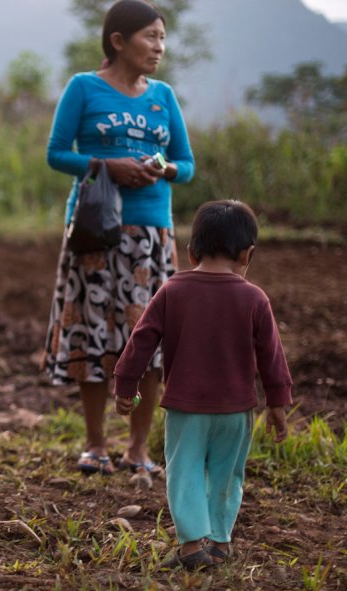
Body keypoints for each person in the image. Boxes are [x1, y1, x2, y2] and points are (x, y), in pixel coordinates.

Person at [42, 0, 195, 477]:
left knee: (149, 341)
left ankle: (138, 449)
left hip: (151, 235)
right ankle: (94, 445)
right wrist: (107, 165)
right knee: (93, 336)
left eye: (163, 38)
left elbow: (187, 166)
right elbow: (55, 154)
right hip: (95, 233)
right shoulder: (83, 88)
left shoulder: (164, 96)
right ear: (118, 41)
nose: (159, 47)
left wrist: (162, 168)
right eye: (151, 37)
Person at [112, 200, 292, 570]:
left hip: (186, 408)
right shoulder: (255, 298)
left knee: (185, 472)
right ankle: (221, 542)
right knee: (227, 475)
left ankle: (193, 545)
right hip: (236, 410)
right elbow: (272, 356)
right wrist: (277, 402)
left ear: (191, 251)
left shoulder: (172, 290)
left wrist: (126, 384)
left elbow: (141, 341)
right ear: (247, 254)